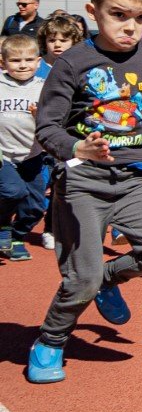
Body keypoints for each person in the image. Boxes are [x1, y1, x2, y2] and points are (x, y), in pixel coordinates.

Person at [25, 0, 142, 384]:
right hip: (83, 183)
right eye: (119, 15)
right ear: (93, 10)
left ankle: (106, 280)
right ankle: (50, 340)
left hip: (134, 181)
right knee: (78, 279)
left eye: (141, 18)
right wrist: (76, 147)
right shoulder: (73, 63)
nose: (131, 27)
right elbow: (47, 125)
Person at [0, 34, 49, 259]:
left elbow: (56, 118)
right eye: (16, 60)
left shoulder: (44, 87)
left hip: (32, 155)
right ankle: (3, 226)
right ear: (3, 62)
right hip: (4, 155)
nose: (23, 65)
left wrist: (43, 116)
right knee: (13, 191)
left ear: (38, 62)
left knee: (36, 206)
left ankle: (18, 236)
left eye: (29, 60)